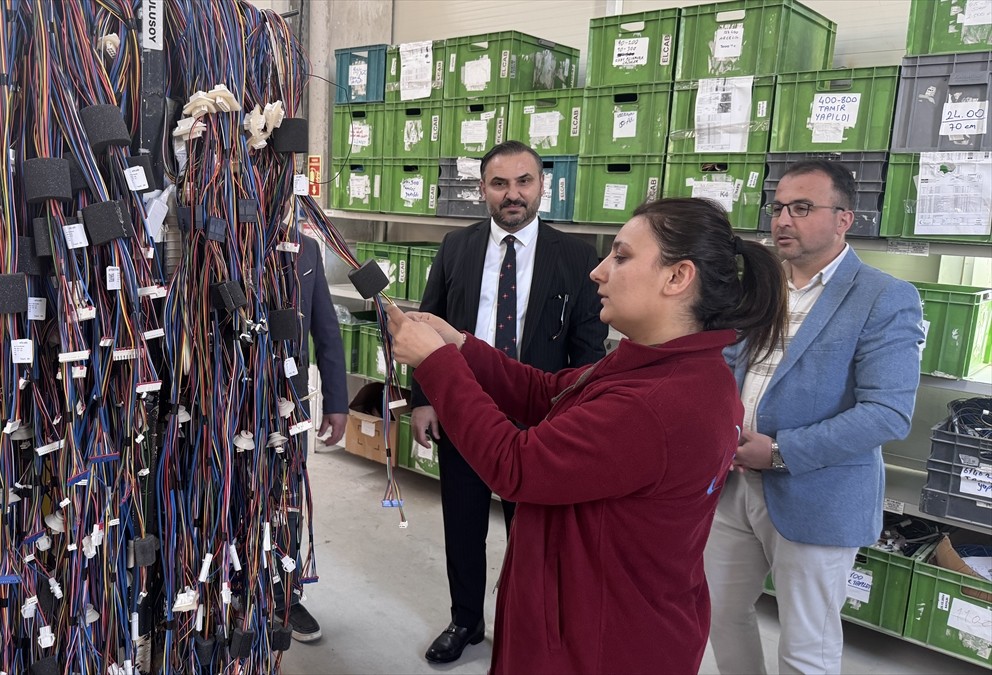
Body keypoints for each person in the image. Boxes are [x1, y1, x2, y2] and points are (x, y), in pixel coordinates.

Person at [389, 197, 789, 673]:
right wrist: (459, 345)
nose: (598, 272)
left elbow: (517, 466)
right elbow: (550, 394)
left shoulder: (660, 402)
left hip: (599, 641)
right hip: (588, 614)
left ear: (677, 277)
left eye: (620, 256)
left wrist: (437, 365)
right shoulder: (657, 366)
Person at [704, 160, 925, 675]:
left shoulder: (884, 298)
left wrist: (780, 451)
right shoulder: (760, 286)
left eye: (802, 208)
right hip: (732, 486)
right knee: (718, 613)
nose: (784, 219)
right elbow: (728, 365)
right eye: (779, 207)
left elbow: (888, 413)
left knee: (806, 643)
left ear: (844, 218)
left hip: (817, 494)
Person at [409, 140, 608, 664]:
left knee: (537, 536)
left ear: (543, 185)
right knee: (463, 524)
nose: (513, 194)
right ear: (482, 190)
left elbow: (588, 350)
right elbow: (427, 324)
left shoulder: (576, 257)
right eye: (500, 184)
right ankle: (465, 620)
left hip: (541, 420)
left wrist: (574, 416)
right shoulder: (456, 247)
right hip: (463, 410)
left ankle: (533, 630)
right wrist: (423, 399)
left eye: (524, 181)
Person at [278, 231, 349, 643]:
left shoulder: (305, 248)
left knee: (287, 500)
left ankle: (284, 594)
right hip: (226, 402)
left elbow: (327, 330)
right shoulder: (220, 234)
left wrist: (337, 402)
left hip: (291, 405)